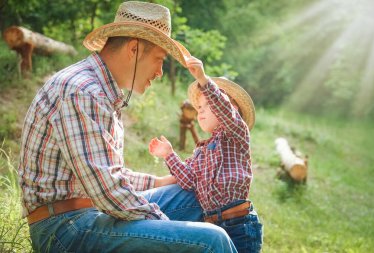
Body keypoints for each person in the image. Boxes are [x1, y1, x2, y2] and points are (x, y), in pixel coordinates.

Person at [18, 1, 237, 252]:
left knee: (196, 195)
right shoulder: (81, 91)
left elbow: (109, 175)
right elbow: (109, 192)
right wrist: (167, 229)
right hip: (65, 229)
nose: (160, 73)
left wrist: (163, 181)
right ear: (134, 49)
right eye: (159, 59)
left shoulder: (98, 90)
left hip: (90, 212)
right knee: (211, 240)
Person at [149, 56, 263, 252]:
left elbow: (223, 108)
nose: (200, 112)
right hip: (210, 225)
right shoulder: (201, 151)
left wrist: (203, 79)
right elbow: (189, 181)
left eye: (207, 106)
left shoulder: (236, 133)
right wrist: (169, 155)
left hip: (239, 225)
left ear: (232, 108)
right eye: (198, 107)